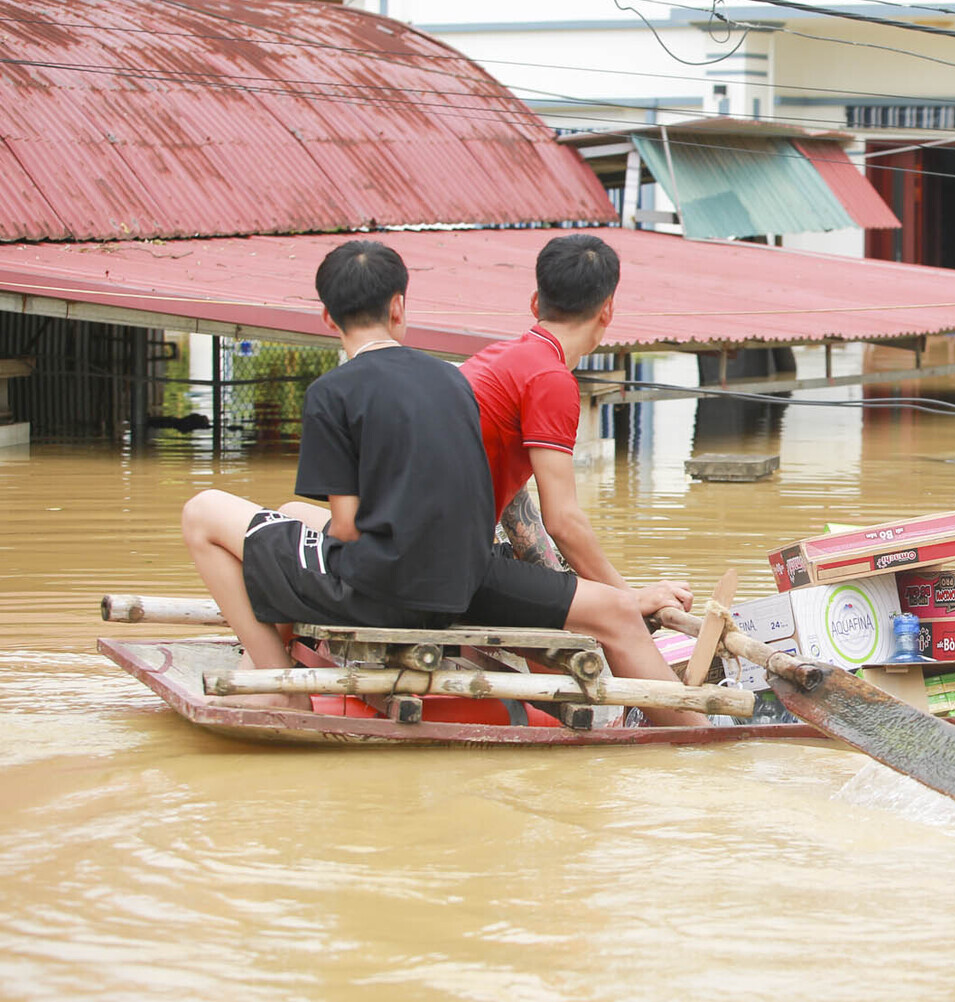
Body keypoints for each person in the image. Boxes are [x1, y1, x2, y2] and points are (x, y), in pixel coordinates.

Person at [179, 240, 500, 709]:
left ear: (327, 318)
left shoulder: (332, 391)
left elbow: (347, 526)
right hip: (455, 589)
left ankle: (275, 681)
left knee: (202, 512)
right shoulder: (453, 378)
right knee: (289, 513)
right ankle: (273, 654)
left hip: (385, 594)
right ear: (398, 306)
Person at [461, 233, 699, 711]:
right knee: (615, 615)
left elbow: (512, 503)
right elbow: (563, 522)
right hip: (456, 567)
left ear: (534, 302)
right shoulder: (550, 379)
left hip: (441, 553)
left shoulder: (498, 359)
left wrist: (568, 583)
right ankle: (695, 748)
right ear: (608, 309)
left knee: (575, 595)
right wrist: (630, 597)